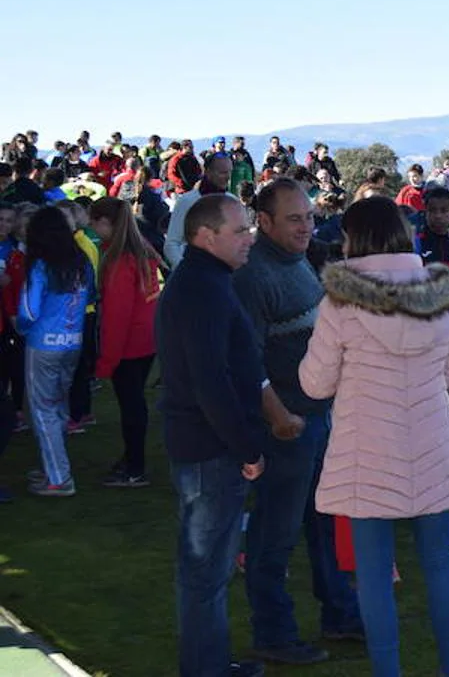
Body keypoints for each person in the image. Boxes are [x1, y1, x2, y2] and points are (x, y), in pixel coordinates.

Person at [298, 195, 449, 677]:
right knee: (441, 561)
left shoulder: (341, 301)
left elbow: (315, 383)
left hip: (366, 448)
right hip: (432, 438)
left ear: (357, 239)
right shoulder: (441, 290)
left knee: (373, 575)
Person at [232, 179, 361, 665]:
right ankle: (274, 632)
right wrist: (279, 416)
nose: (306, 225)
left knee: (323, 523)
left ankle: (340, 614)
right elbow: (247, 362)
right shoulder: (252, 277)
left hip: (317, 417)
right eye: (294, 218)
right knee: (274, 533)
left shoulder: (299, 263)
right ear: (263, 223)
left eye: (308, 216)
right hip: (286, 426)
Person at [158, 194, 268, 677]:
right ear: (206, 236)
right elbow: (210, 379)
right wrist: (245, 446)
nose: (249, 238)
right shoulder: (202, 289)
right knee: (205, 570)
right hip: (210, 450)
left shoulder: (207, 282)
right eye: (240, 230)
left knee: (207, 569)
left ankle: (209, 664)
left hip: (205, 446)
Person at [17, 207, 94, 497]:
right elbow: (91, 295)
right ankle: (53, 468)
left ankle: (59, 477)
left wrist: (24, 328)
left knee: (43, 409)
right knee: (57, 405)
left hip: (43, 344)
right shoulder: (81, 262)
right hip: (72, 341)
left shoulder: (40, 266)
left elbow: (28, 309)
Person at [88, 197, 160, 488]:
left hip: (130, 346)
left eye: (95, 223)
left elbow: (117, 317)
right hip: (146, 342)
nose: (93, 228)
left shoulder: (120, 261)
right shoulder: (142, 250)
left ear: (107, 223)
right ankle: (133, 459)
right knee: (135, 404)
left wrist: (107, 361)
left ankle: (135, 467)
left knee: (131, 407)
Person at [164, 152, 234, 268]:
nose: (228, 177)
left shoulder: (232, 202)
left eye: (229, 172)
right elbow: (171, 244)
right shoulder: (187, 201)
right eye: (222, 172)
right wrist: (186, 270)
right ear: (207, 172)